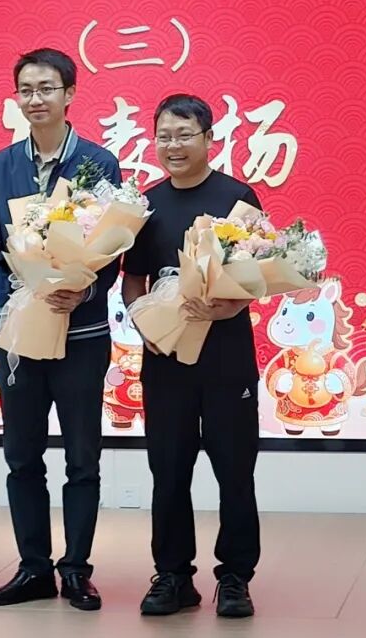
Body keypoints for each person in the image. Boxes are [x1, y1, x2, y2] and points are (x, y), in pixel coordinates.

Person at [0, 48, 121, 612]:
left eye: (46, 88)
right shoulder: (1, 166)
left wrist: (83, 291)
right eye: (26, 90)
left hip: (81, 334)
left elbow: (113, 247)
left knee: (82, 457)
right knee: (22, 457)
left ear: (70, 94)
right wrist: (1, 312)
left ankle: (76, 570)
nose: (35, 99)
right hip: (19, 334)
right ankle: (33, 568)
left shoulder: (98, 163)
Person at [121, 93, 262, 619]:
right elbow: (133, 279)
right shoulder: (146, 205)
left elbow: (258, 274)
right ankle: (173, 576)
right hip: (167, 361)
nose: (173, 146)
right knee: (169, 471)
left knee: (235, 472)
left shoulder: (237, 197)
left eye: (184, 135)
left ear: (209, 139)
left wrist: (231, 305)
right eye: (164, 136)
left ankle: (235, 578)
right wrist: (143, 322)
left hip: (227, 360)